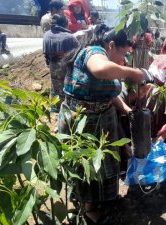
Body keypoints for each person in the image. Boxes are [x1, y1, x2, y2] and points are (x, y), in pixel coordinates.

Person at [58, 27, 146, 224]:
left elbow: (109, 93)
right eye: (122, 54)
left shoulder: (105, 57)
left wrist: (127, 110)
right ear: (111, 45)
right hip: (83, 121)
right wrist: (134, 73)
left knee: (104, 164)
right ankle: (88, 209)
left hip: (103, 118)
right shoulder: (93, 52)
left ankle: (99, 203)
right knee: (87, 165)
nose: (122, 60)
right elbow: (100, 70)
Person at [43, 14, 80, 112]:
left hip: (53, 66)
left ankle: (55, 108)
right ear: (65, 24)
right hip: (66, 69)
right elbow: (78, 55)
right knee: (66, 88)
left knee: (55, 87)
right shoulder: (70, 37)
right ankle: (67, 110)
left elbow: (45, 54)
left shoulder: (46, 35)